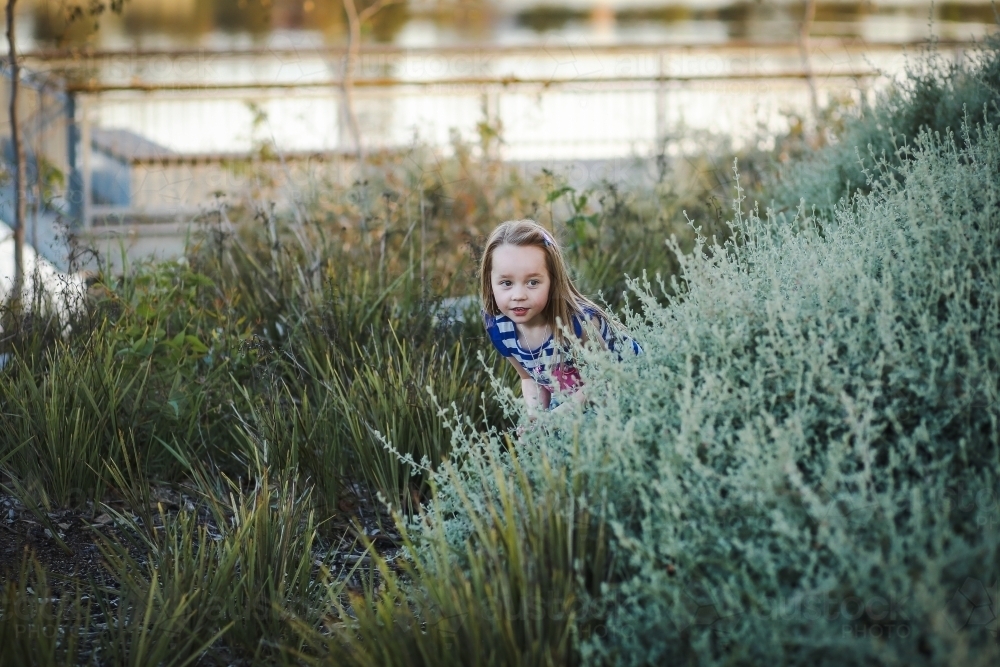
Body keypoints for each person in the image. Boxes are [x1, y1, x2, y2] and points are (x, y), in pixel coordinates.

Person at [479, 219, 640, 417]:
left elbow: (602, 380)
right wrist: (536, 418)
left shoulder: (578, 324)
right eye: (506, 282)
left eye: (532, 282)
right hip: (574, 401)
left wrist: (555, 419)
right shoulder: (500, 328)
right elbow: (530, 378)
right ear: (490, 281)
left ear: (552, 281)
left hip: (629, 389)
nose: (518, 295)